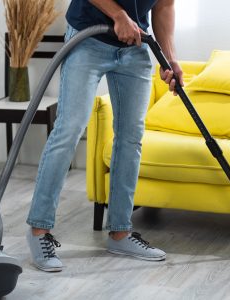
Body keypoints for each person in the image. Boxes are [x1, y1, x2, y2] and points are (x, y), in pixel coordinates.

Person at [26, 0, 183, 272]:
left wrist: (169, 57)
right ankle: (38, 231)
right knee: (69, 129)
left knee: (131, 138)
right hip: (87, 40)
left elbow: (164, 5)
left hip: (135, 48)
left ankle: (120, 233)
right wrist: (119, 15)